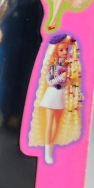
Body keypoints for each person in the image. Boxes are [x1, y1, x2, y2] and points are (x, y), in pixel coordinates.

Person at [28, 34, 83, 165]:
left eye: (66, 50)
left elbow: (72, 81)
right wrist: (61, 77)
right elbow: (50, 81)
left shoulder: (69, 66)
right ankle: (47, 152)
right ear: (56, 51)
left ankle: (50, 151)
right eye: (61, 50)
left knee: (56, 125)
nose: (64, 52)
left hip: (62, 96)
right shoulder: (53, 66)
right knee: (49, 124)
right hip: (52, 95)